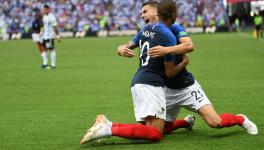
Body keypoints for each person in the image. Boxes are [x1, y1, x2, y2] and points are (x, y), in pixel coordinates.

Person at [80, 0, 182, 144]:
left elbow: (128, 45)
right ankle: (107, 128)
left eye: (145, 11)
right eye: (141, 13)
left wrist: (120, 48)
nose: (142, 15)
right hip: (151, 84)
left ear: (157, 12)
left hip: (139, 82)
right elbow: (170, 73)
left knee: (151, 129)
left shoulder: (145, 30)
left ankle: (108, 125)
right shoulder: (168, 36)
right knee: (155, 134)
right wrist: (183, 62)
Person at [41, 4, 61, 69]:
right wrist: (41, 32)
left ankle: (53, 65)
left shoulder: (51, 17)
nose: (43, 11)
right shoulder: (44, 16)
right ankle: (45, 64)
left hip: (50, 36)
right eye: (43, 9)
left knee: (51, 50)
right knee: (44, 50)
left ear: (48, 9)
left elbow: (55, 27)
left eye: (44, 9)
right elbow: (43, 25)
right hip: (44, 36)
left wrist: (57, 36)